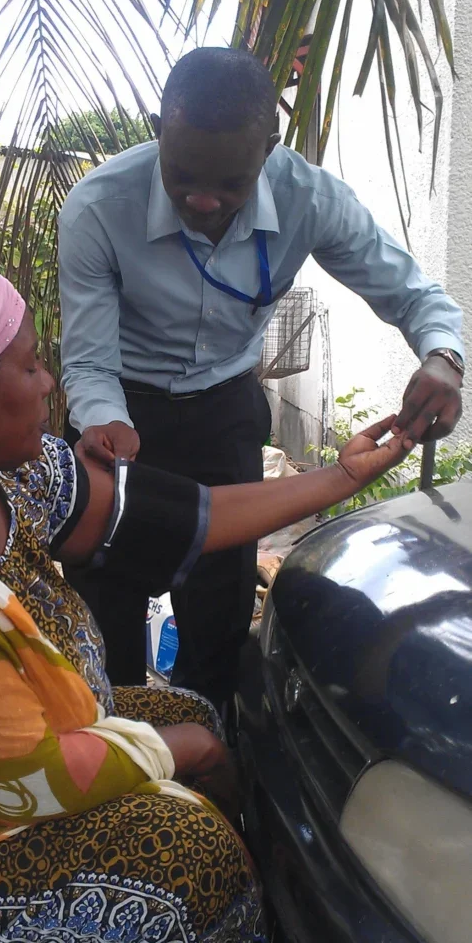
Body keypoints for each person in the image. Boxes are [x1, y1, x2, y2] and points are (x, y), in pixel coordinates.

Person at [0, 254, 410, 942]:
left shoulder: (11, 478)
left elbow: (193, 515)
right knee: (185, 851)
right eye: (30, 366)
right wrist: (192, 753)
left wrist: (340, 477)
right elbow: (23, 775)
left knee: (189, 708)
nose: (48, 384)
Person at [58, 46, 465, 714]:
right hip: (121, 413)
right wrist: (105, 420)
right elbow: (89, 361)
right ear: (157, 130)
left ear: (268, 150)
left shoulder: (310, 199)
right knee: (106, 612)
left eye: (230, 183)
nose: (204, 198)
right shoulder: (98, 208)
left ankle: (212, 754)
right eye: (182, 175)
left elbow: (415, 297)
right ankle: (117, 762)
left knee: (217, 616)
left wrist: (441, 359)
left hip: (224, 411)